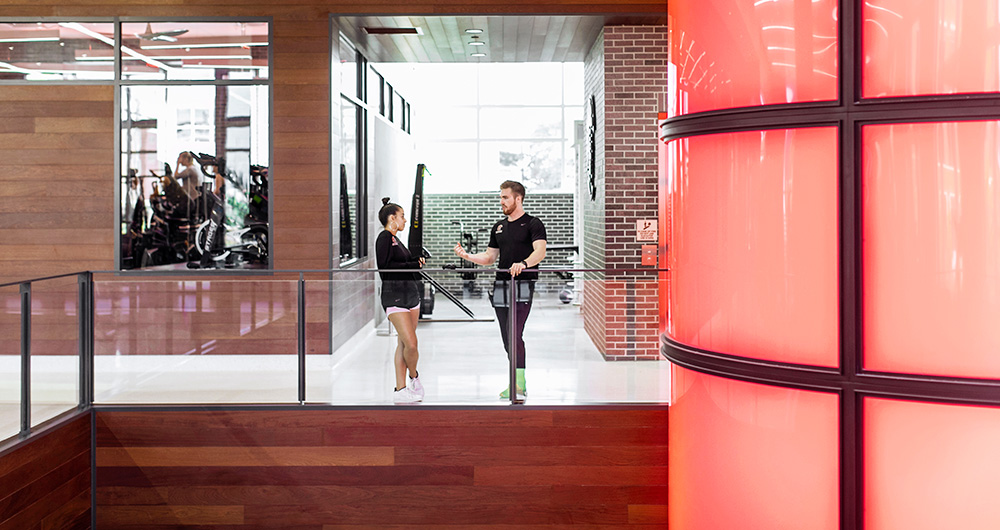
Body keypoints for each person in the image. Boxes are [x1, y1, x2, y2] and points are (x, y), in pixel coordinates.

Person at [454, 180, 546, 399]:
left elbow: (540, 252)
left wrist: (523, 263)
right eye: (501, 197)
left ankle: (520, 386)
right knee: (507, 337)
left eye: (505, 197)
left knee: (515, 333)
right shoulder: (499, 227)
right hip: (501, 285)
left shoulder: (533, 224)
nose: (501, 201)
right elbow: (489, 257)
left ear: (518, 198)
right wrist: (468, 256)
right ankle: (515, 381)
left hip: (522, 284)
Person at [375, 197, 426, 404]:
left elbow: (401, 263)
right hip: (394, 297)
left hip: (411, 295)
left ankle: (400, 390)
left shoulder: (398, 239)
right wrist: (412, 266)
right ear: (392, 218)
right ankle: (415, 377)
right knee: (411, 344)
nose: (405, 220)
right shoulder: (385, 238)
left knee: (403, 343)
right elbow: (386, 267)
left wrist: (416, 262)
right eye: (402, 216)